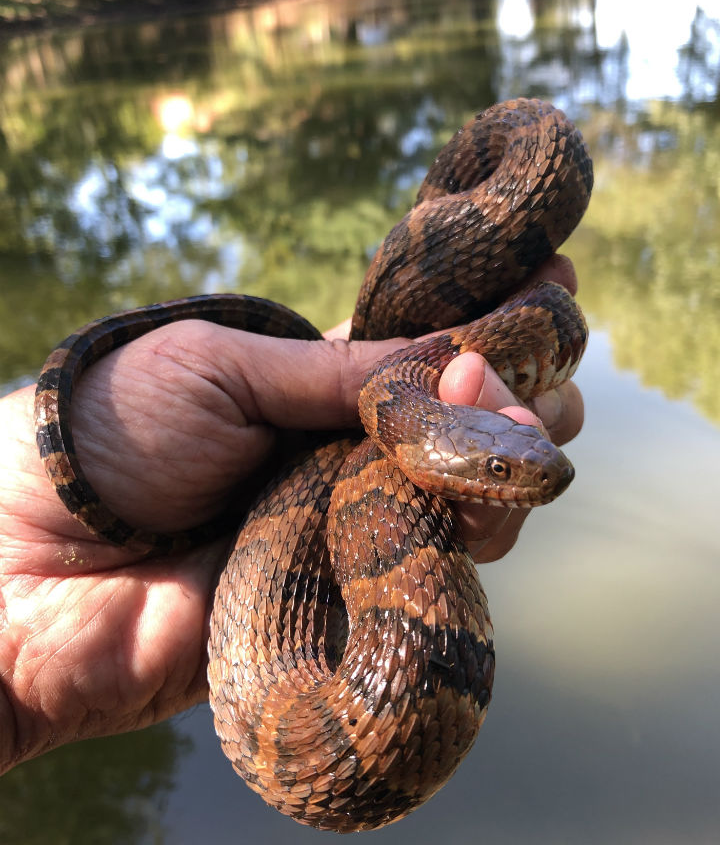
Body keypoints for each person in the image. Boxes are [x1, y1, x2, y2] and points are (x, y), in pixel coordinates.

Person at [0, 255, 583, 776]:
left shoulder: (413, 420)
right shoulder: (401, 421)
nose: (543, 473)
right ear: (428, 455)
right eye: (496, 470)